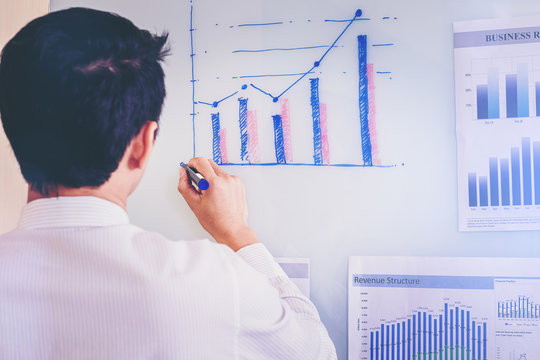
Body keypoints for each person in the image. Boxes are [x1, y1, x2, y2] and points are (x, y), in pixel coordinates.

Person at [0, 7, 337, 360]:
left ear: (12, 130)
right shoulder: (212, 282)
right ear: (143, 143)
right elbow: (318, 352)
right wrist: (236, 233)